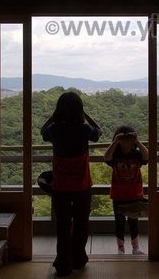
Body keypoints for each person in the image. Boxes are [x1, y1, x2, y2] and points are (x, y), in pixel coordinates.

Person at [41, 91, 102, 277]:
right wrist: (87, 116)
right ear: (80, 110)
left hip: (61, 186)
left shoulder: (55, 129)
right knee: (82, 223)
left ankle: (63, 264)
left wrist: (53, 116)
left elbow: (43, 132)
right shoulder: (84, 129)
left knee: (63, 225)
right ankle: (79, 258)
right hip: (82, 184)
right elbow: (98, 133)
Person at [103, 125, 149, 255]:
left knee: (134, 221)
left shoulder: (137, 155)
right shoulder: (115, 155)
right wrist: (115, 142)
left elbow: (147, 157)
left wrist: (137, 141)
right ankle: (120, 248)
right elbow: (106, 157)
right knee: (119, 222)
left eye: (129, 138)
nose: (126, 141)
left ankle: (135, 247)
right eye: (123, 138)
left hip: (135, 194)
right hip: (119, 194)